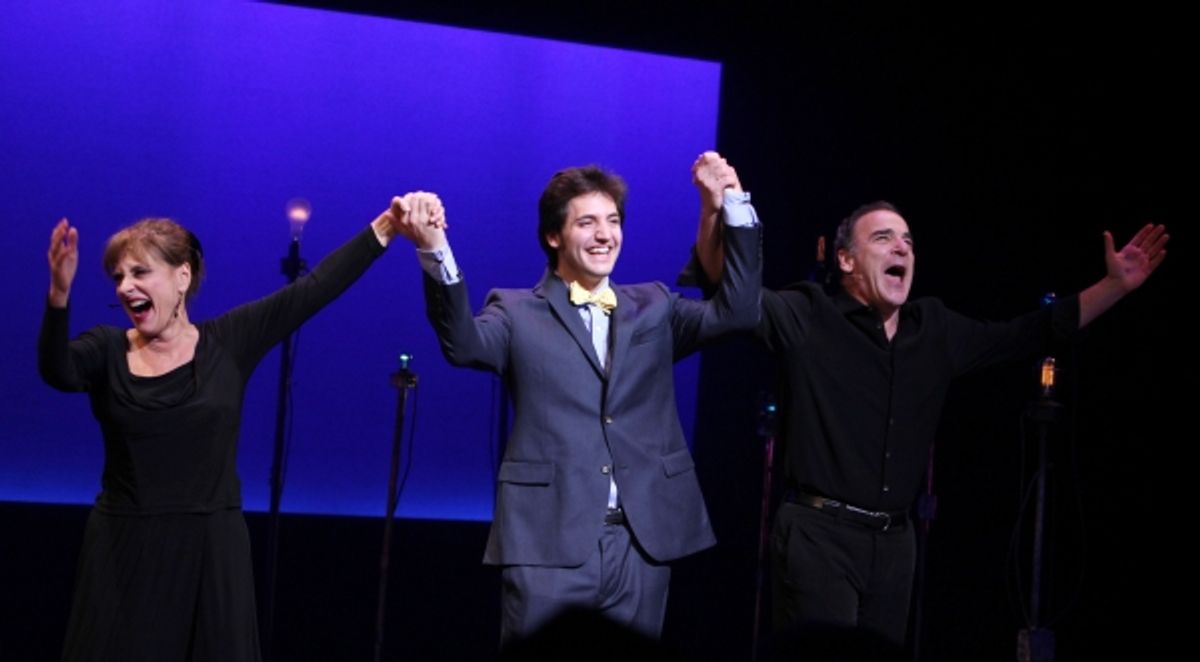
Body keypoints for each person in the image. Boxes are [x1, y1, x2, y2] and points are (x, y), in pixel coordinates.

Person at [688, 200, 1168, 647]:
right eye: (883, 238)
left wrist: (1114, 287)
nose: (901, 247)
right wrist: (715, 206)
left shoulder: (933, 330)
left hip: (895, 546)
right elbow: (732, 292)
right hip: (818, 538)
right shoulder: (809, 313)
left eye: (908, 240)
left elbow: (1027, 333)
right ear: (847, 260)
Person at [38, 194, 438, 661]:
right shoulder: (107, 348)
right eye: (119, 277)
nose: (126, 287)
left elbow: (312, 291)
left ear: (182, 276)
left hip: (211, 551)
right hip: (124, 551)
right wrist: (58, 296)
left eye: (140, 272)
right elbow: (58, 372)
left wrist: (387, 227)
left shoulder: (228, 342)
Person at [390, 153, 762, 644]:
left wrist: (730, 202)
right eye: (587, 222)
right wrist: (434, 247)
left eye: (612, 221)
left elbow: (737, 312)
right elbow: (462, 344)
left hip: (642, 541)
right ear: (553, 236)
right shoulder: (517, 311)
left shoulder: (654, 305)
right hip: (549, 541)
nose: (605, 234)